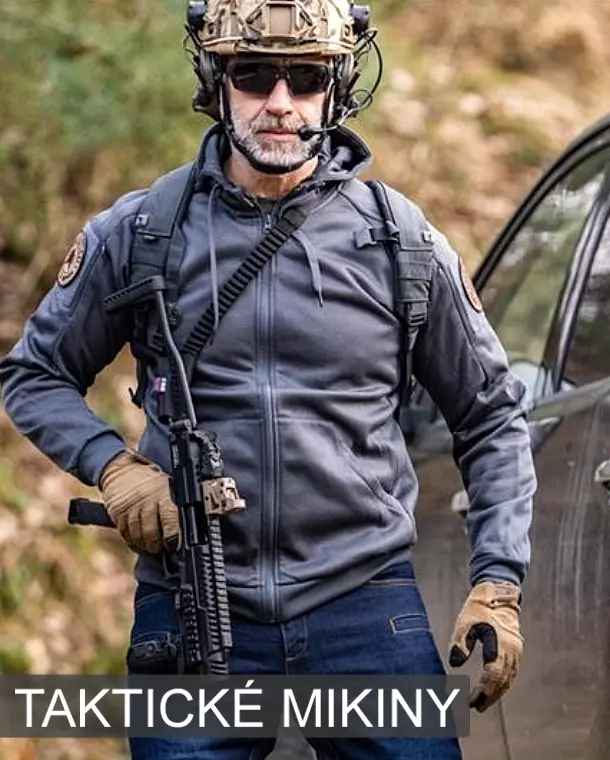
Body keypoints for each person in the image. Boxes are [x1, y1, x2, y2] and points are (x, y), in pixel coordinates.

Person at [0, 0, 536, 758]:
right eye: (253, 75)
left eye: (305, 78)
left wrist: (498, 582)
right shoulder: (142, 232)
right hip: (191, 599)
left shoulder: (399, 242)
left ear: (337, 87)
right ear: (215, 82)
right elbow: (34, 373)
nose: (280, 102)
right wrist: (114, 468)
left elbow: (491, 414)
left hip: (364, 605)